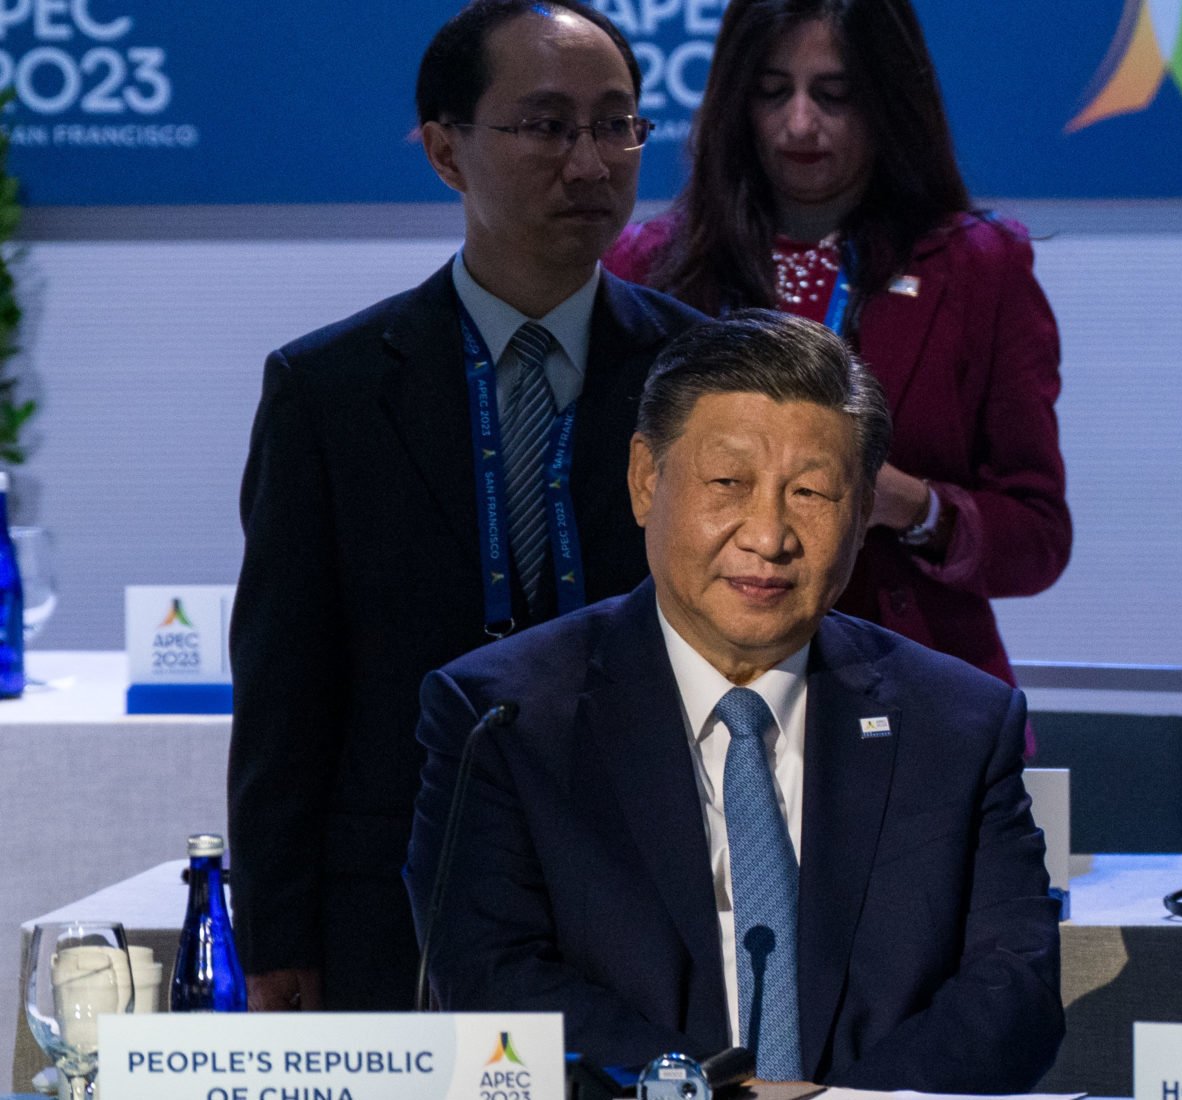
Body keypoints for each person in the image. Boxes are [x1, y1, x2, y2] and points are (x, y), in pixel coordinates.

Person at [405, 310, 1061, 1090]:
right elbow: (490, 974)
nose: (769, 534)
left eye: (812, 492)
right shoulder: (503, 718)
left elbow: (1012, 991)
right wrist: (714, 1095)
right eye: (729, 484)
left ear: (860, 520)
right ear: (646, 480)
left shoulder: (959, 724)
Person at [227, 0, 703, 1012]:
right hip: (400, 891)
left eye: (615, 123)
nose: (590, 162)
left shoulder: (706, 374)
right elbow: (285, 685)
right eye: (545, 126)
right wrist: (275, 935)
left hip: (657, 879)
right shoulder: (332, 389)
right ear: (447, 151)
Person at [605, 0, 1068, 687]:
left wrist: (911, 507)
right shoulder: (647, 267)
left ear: (888, 99)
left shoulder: (978, 266)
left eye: (834, 95)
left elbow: (1037, 540)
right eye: (772, 92)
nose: (799, 123)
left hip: (911, 687)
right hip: (692, 684)